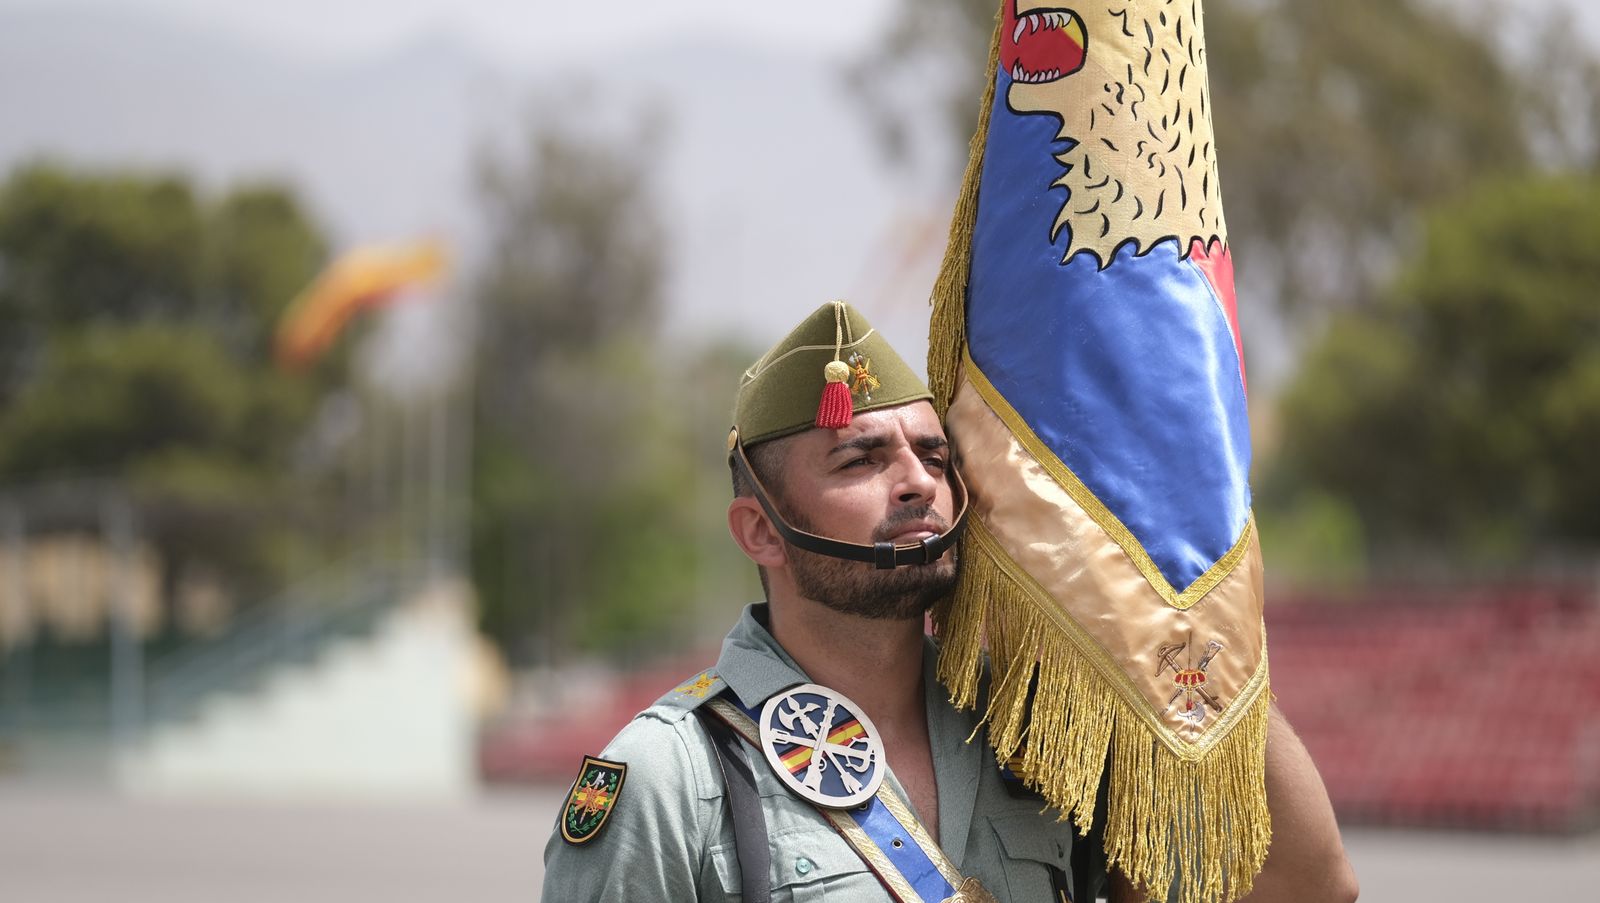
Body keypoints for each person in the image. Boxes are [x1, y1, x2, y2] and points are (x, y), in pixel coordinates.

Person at [540, 301, 1356, 903]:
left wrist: (1181, 623)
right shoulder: (670, 775)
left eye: (935, 454)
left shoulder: (1037, 728)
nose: (918, 482)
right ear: (761, 531)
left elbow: (1303, 888)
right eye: (860, 459)